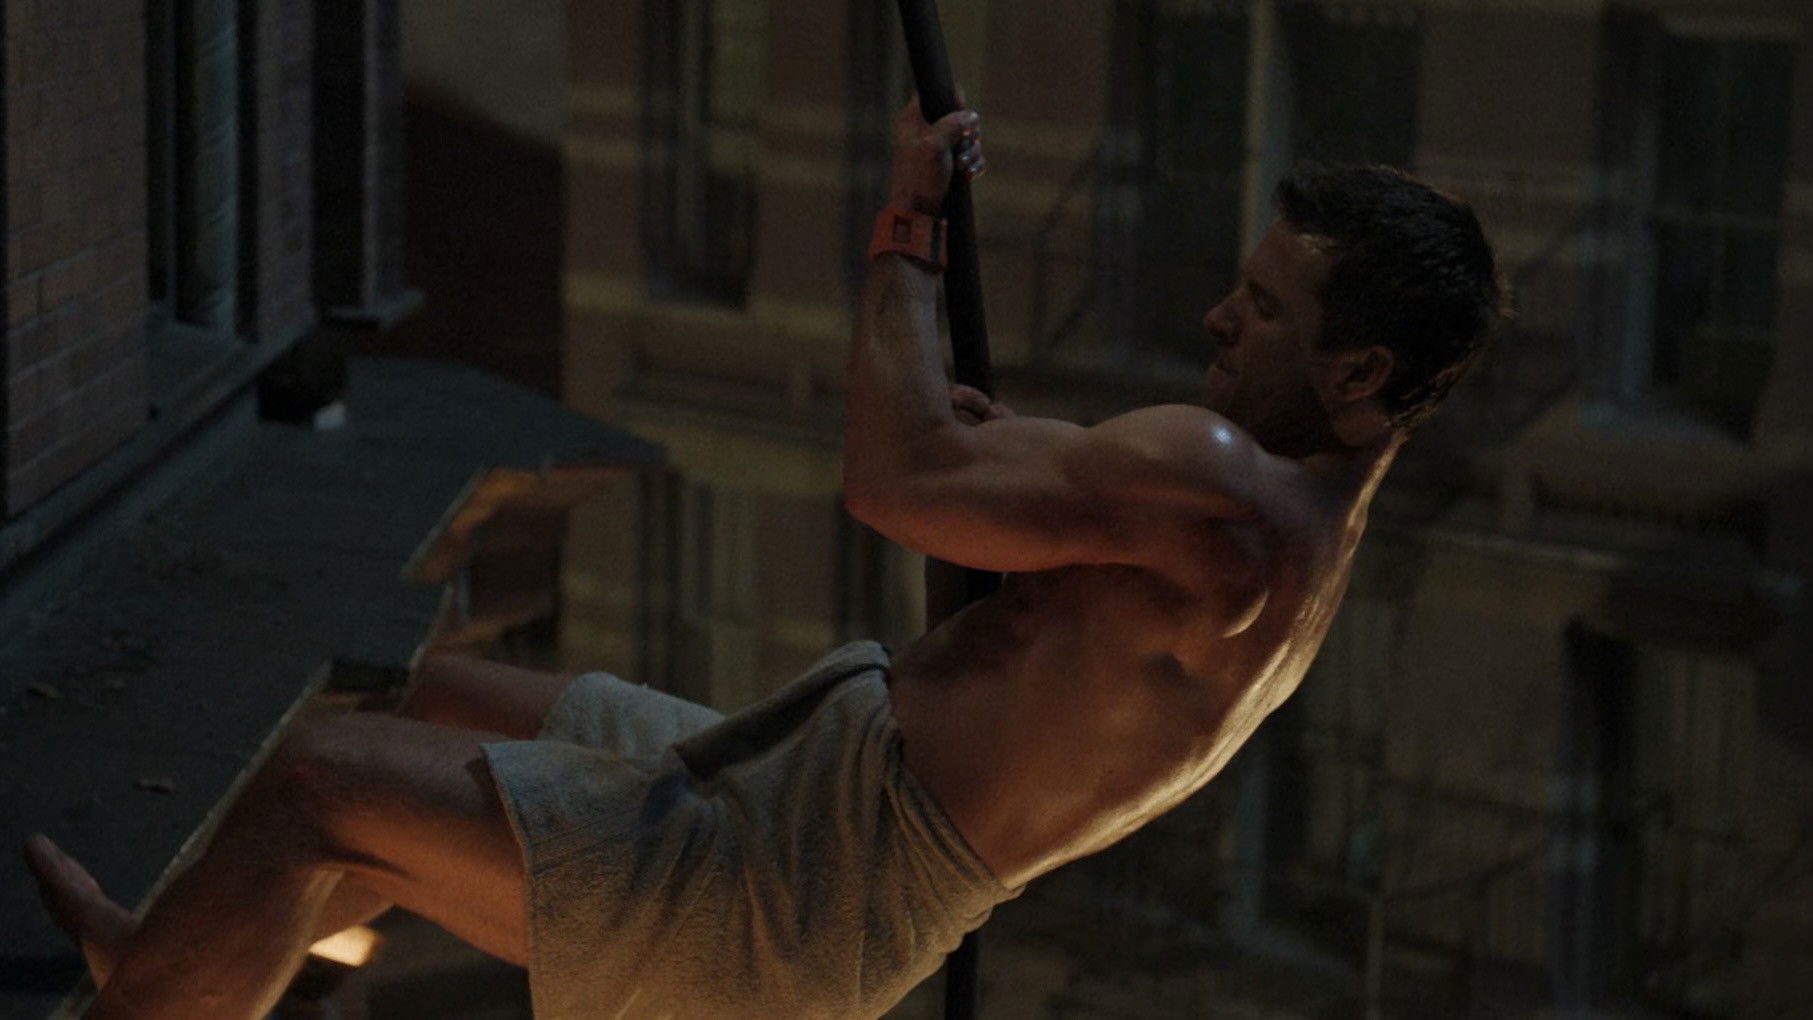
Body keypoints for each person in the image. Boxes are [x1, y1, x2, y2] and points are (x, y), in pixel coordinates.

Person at [24, 98, 1502, 1019]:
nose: (1218, 321)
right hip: (812, 790)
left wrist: (906, 232)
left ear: (1362, 373)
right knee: (431, 699)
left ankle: (164, 994)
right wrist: (983, 479)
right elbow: (993, 573)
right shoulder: (1289, 536)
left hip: (790, 890)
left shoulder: (1228, 490)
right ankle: (183, 960)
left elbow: (891, 474)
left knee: (312, 786)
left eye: (1264, 308)